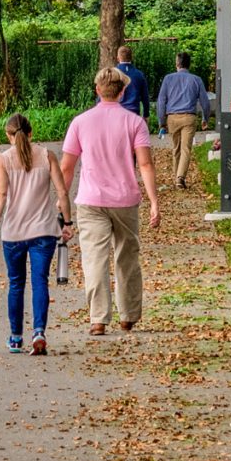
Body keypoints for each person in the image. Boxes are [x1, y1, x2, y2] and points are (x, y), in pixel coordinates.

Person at [63, 68, 161, 334]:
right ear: (123, 91)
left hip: (90, 200)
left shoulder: (80, 122)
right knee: (127, 257)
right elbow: (145, 164)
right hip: (125, 200)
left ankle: (98, 318)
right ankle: (128, 315)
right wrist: (153, 200)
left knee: (94, 258)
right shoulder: (135, 123)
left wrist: (62, 201)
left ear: (97, 90)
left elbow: (67, 167)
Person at [0, 112, 71, 355]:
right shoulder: (47, 156)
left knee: (16, 283)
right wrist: (67, 222)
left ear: (8, 135)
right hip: (43, 231)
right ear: (31, 133)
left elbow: (1, 194)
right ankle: (39, 332)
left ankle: (15, 338)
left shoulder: (3, 160)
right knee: (39, 281)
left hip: (13, 232)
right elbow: (62, 192)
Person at [155, 52, 216, 191]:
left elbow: (161, 101)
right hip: (189, 117)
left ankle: (177, 177)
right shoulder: (196, 80)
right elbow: (205, 102)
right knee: (185, 149)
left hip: (172, 118)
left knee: (176, 148)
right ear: (189, 64)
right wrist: (205, 118)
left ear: (177, 64)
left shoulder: (168, 79)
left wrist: (161, 122)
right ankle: (180, 178)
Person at [115, 43, 152, 127]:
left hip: (116, 114)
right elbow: (145, 97)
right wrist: (146, 115)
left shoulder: (113, 74)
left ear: (118, 58)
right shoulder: (139, 74)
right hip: (134, 114)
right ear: (132, 57)